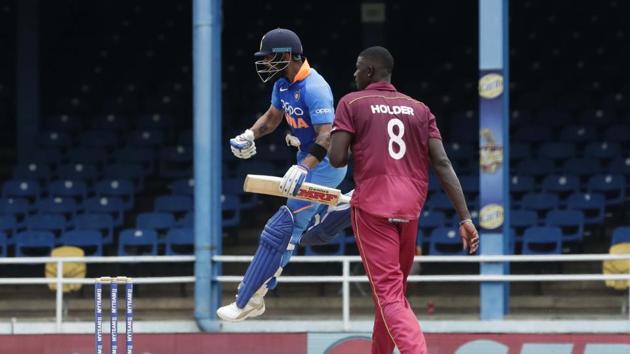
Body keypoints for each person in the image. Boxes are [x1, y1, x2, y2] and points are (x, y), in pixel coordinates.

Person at [328, 46, 479, 354]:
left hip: (372, 207)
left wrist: (336, 138)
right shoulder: (420, 109)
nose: (353, 73)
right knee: (392, 294)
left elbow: (336, 158)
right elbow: (442, 164)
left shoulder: (351, 103)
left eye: (357, 68)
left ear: (370, 71)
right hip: (409, 209)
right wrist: (465, 218)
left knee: (389, 295)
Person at [217, 28, 347, 321]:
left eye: (269, 58)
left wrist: (304, 167)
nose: (264, 64)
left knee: (284, 226)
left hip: (326, 166)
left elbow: (327, 136)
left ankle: (250, 300)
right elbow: (273, 118)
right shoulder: (282, 85)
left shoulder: (315, 87)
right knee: (290, 227)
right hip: (307, 161)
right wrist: (250, 134)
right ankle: (339, 206)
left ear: (287, 56)